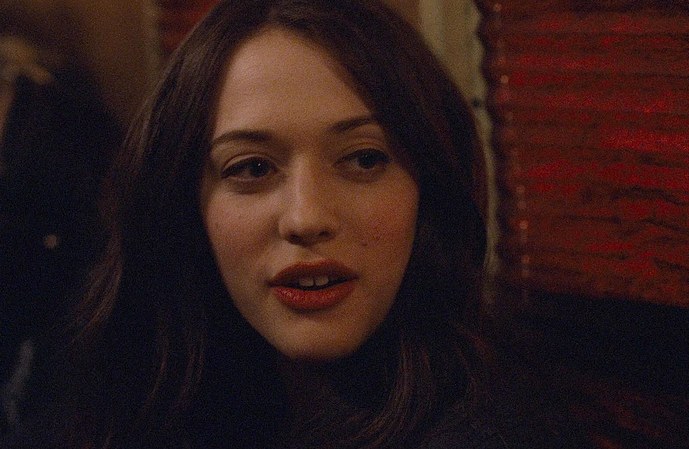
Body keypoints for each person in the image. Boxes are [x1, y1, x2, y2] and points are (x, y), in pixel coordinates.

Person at [8, 0, 561, 447]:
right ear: (184, 205)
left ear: (430, 189)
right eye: (252, 168)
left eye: (364, 159)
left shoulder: (492, 430)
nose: (306, 217)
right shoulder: (121, 397)